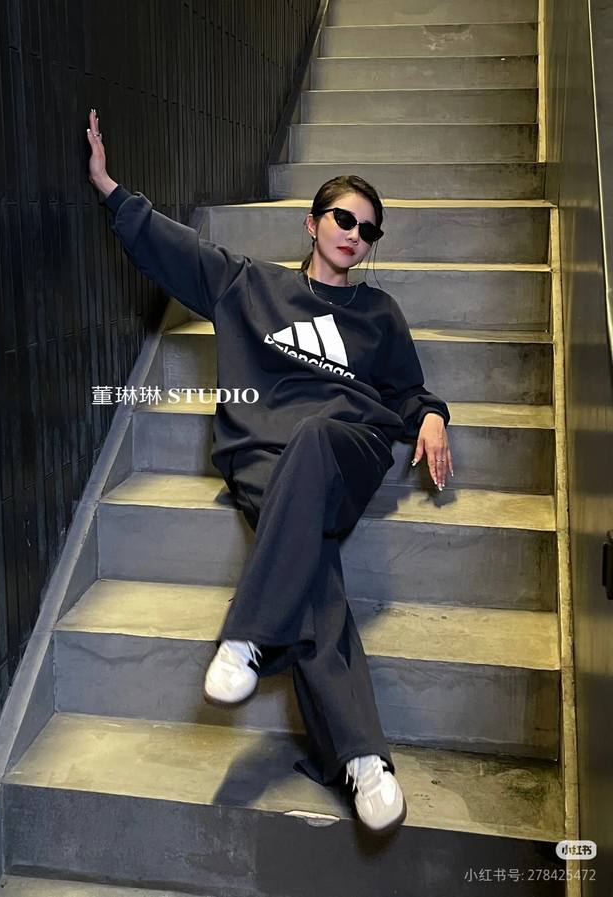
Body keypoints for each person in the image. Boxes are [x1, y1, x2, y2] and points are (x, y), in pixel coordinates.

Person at [86, 109, 453, 833]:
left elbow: (410, 392)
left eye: (368, 229)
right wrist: (107, 188)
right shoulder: (248, 285)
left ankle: (248, 634)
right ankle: (363, 759)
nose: (354, 234)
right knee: (314, 571)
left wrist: (433, 416)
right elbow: (174, 248)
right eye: (343, 218)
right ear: (312, 224)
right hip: (261, 453)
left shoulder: (380, 313)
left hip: (347, 447)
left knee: (316, 437)